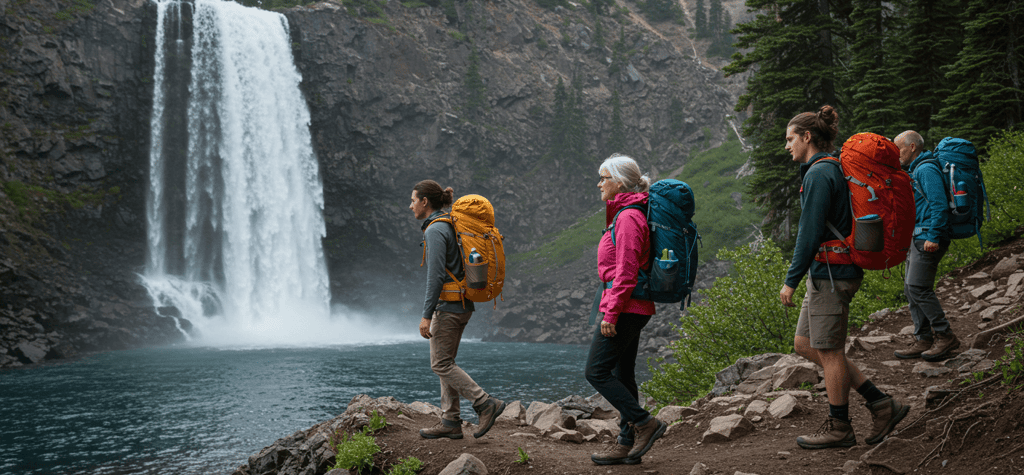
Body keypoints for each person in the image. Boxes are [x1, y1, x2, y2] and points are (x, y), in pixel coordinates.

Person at [778, 106, 909, 449]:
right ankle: (881, 403)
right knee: (805, 344)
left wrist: (791, 279)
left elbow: (808, 232)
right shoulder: (826, 169)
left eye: (790, 138)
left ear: (807, 137)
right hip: (828, 272)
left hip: (832, 274)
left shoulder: (819, 174)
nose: (786, 145)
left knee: (830, 351)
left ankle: (840, 427)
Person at [585, 155, 667, 465]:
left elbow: (627, 271)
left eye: (604, 177)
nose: (599, 183)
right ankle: (626, 441)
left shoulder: (629, 217)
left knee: (596, 371)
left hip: (627, 307)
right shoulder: (624, 213)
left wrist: (611, 312)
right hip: (630, 305)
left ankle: (646, 423)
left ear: (619, 182)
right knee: (623, 373)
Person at [410, 180, 505, 440]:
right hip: (463, 304)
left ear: (425, 202)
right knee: (446, 362)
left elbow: (436, 276)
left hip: (448, 307)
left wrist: (426, 315)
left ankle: (485, 403)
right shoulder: (450, 224)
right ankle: (450, 421)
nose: (411, 206)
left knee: (440, 363)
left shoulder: (435, 229)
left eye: (413, 200)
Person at [893, 130, 960, 361]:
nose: (897, 155)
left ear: (912, 147)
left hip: (929, 238)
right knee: (910, 289)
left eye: (899, 149)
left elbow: (939, 205)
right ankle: (923, 339)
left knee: (919, 288)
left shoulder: (926, 169)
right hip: (918, 236)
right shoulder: (916, 170)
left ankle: (945, 335)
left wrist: (934, 235)